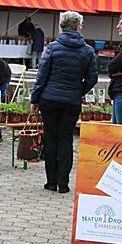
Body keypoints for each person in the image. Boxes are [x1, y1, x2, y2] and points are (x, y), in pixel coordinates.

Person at [31, 11, 98, 194]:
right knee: (66, 140)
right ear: (79, 27)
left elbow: (42, 75)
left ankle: (51, 182)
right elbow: (92, 78)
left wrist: (35, 98)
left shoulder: (52, 48)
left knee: (50, 139)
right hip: (71, 101)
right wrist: (78, 91)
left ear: (62, 27)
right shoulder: (88, 50)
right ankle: (63, 184)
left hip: (49, 99)